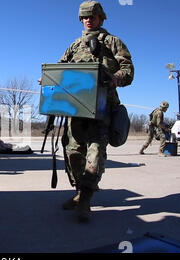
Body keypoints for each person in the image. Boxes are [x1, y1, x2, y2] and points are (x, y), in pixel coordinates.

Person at [56, 1, 134, 222]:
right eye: (85, 17)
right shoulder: (74, 45)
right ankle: (79, 191)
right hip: (76, 108)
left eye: (93, 16)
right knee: (73, 154)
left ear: (101, 18)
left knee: (95, 153)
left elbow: (128, 69)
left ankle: (86, 200)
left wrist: (115, 78)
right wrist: (48, 81)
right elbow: (60, 68)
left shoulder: (112, 42)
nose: (88, 20)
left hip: (102, 108)